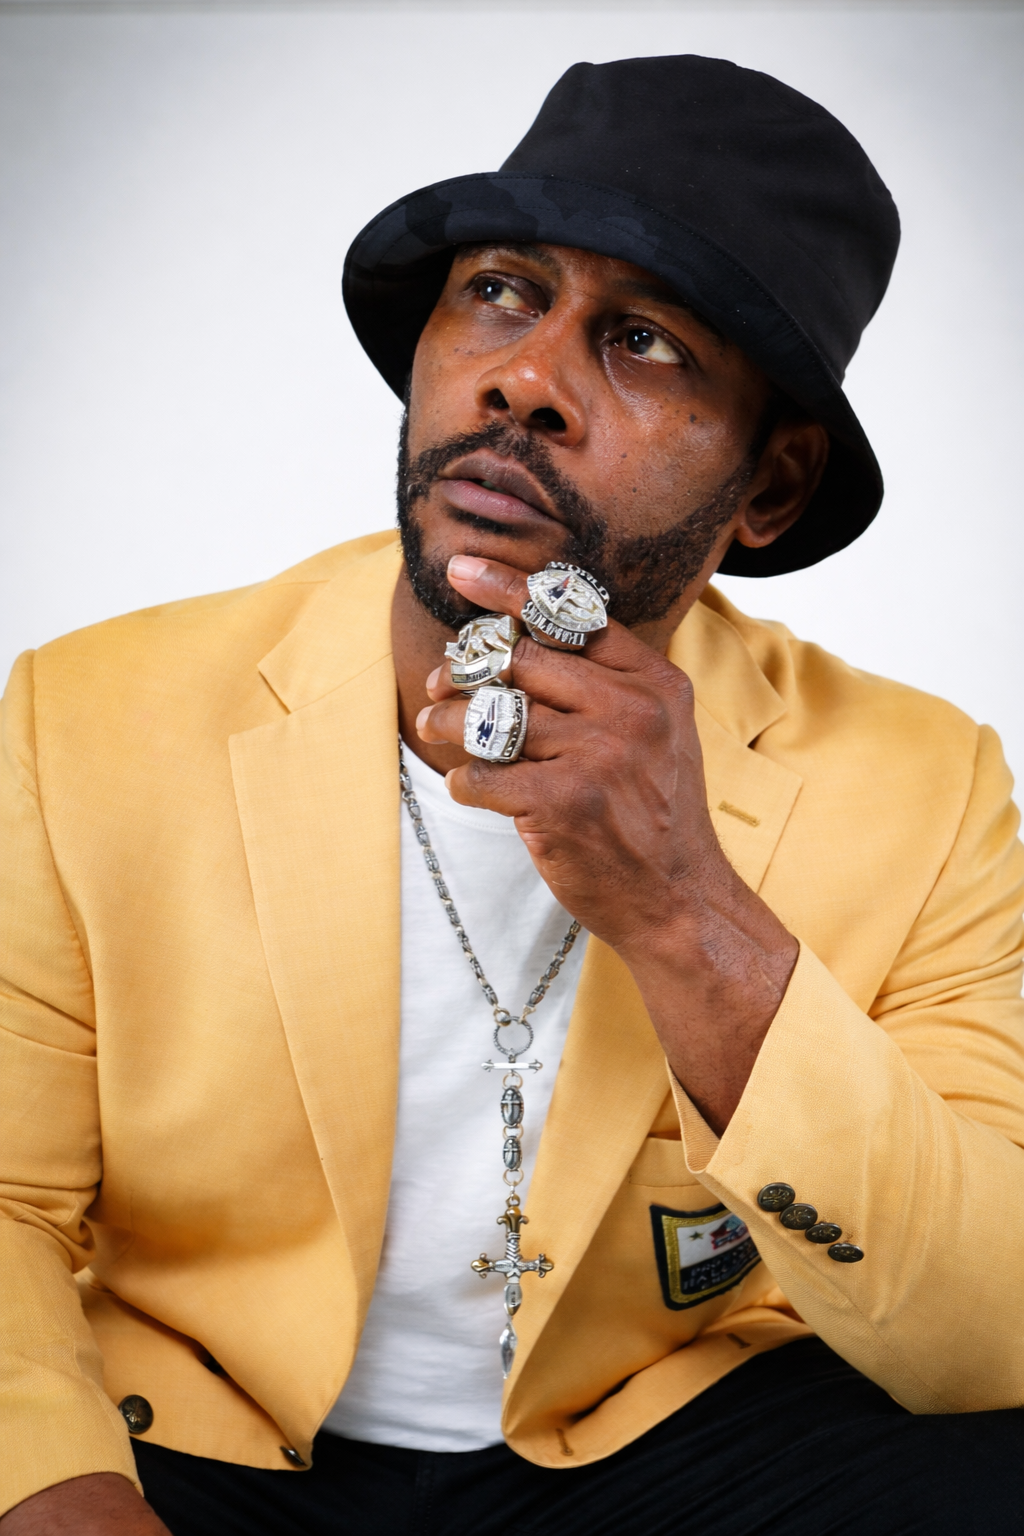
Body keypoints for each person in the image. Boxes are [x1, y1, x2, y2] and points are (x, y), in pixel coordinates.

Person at [1, 53, 1021, 1536]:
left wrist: (689, 913)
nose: (524, 380)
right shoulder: (90, 715)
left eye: (645, 342)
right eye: (498, 291)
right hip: (212, 1432)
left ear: (771, 487)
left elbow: (993, 1335)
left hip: (657, 1437)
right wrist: (62, 1495)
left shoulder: (925, 789)